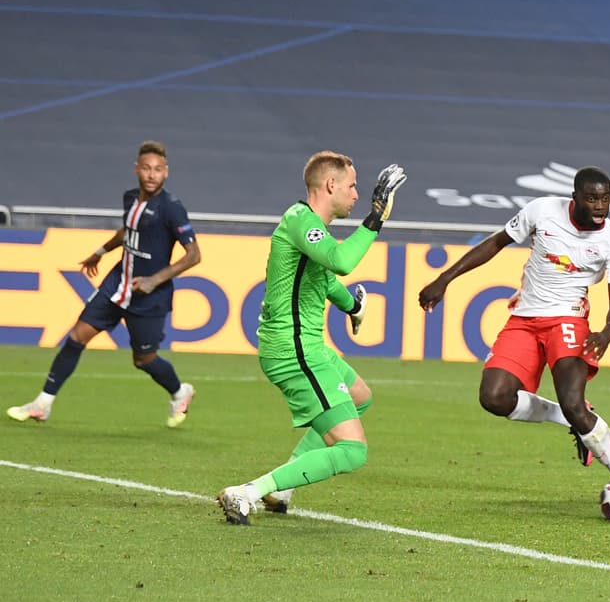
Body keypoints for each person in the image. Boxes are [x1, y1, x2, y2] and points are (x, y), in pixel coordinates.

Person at [216, 152, 407, 524]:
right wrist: (376, 217)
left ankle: (281, 486)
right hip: (295, 351)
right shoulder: (300, 221)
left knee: (359, 396)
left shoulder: (308, 228)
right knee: (352, 451)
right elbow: (341, 262)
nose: (356, 194)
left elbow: (326, 279)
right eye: (352, 186)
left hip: (304, 347)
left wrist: (351, 304)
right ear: (330, 185)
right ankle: (248, 493)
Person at [417, 165, 610, 481]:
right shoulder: (543, 210)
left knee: (574, 402)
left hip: (568, 319)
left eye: (605, 199)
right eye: (592, 199)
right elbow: (494, 244)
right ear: (574, 197)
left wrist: (607, 332)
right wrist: (444, 279)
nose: (600, 207)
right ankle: (567, 417)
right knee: (494, 398)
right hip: (524, 319)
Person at [7, 140, 201, 427]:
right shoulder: (131, 198)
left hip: (149, 296)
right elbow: (128, 231)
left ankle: (179, 392)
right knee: (77, 336)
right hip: (117, 284)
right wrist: (99, 252)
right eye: (146, 168)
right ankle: (43, 403)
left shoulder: (172, 209)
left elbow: (194, 254)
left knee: (144, 359)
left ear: (166, 173)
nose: (151, 174)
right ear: (137, 169)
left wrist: (153, 280)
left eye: (158, 169)